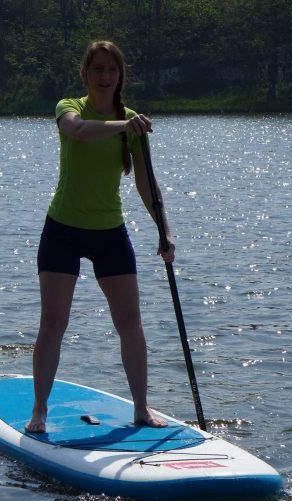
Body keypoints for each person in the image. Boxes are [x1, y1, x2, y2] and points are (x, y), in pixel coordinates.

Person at [25, 40, 176, 433]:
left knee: (131, 322)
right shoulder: (69, 107)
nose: (105, 77)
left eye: (112, 70)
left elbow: (147, 183)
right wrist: (123, 125)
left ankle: (141, 408)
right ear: (85, 75)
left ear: (120, 75)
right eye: (98, 70)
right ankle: (39, 412)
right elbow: (77, 132)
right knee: (53, 322)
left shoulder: (133, 125)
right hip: (63, 230)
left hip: (110, 232)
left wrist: (165, 232)